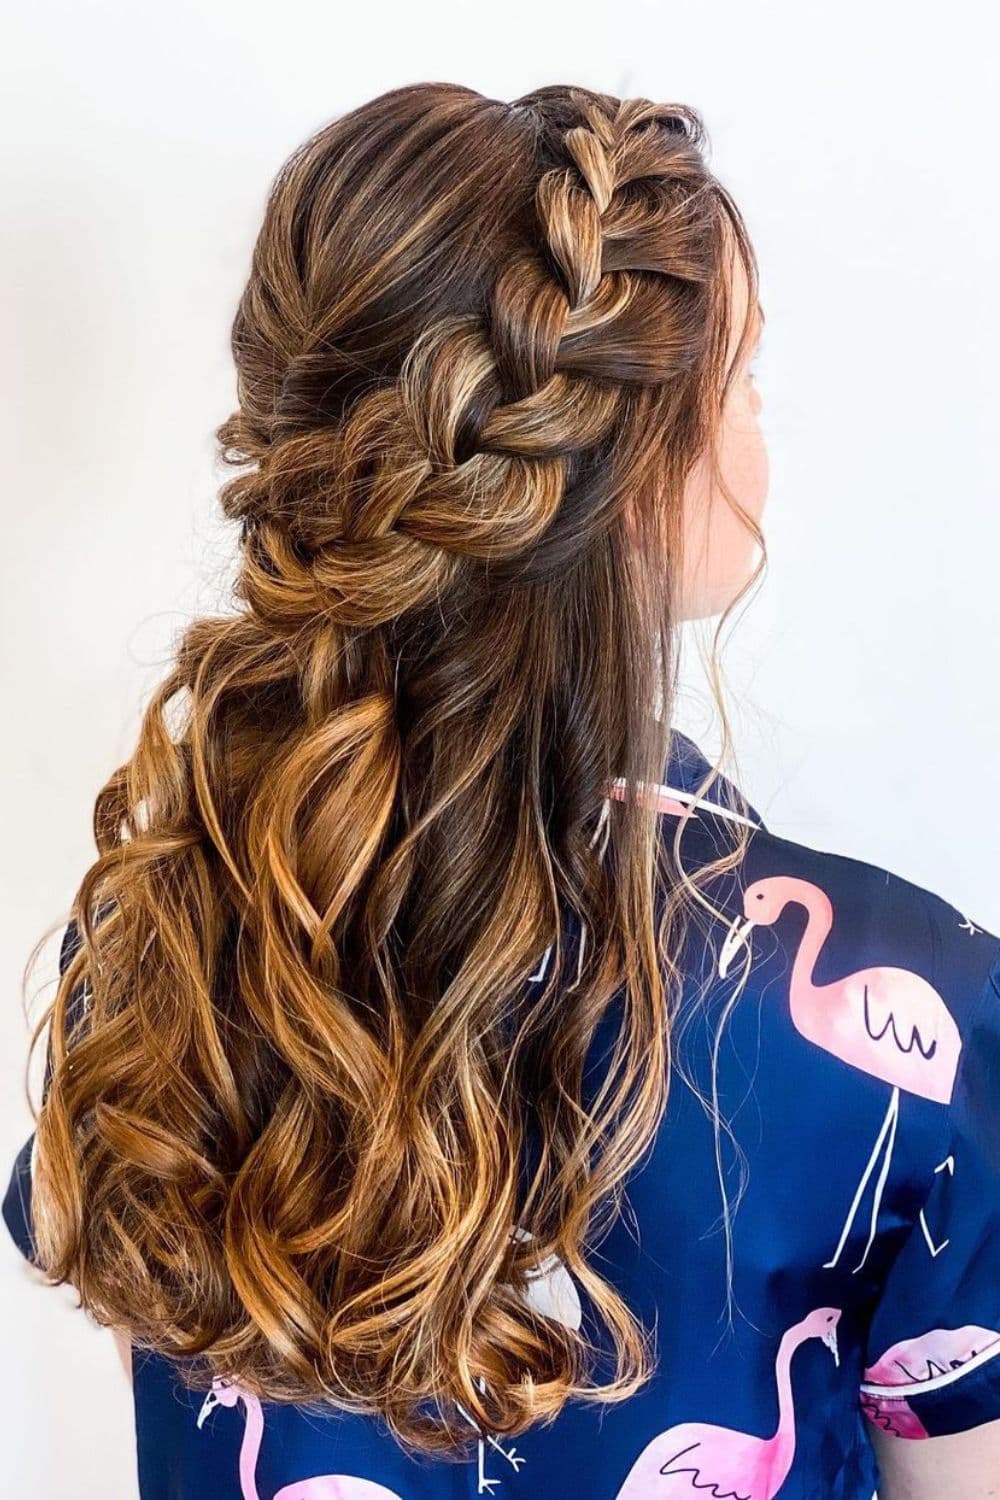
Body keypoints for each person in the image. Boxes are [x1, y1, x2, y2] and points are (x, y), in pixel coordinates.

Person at [4, 81, 999, 1500]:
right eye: (749, 384)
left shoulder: (157, 953)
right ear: (638, 479)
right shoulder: (930, 1033)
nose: (766, 436)